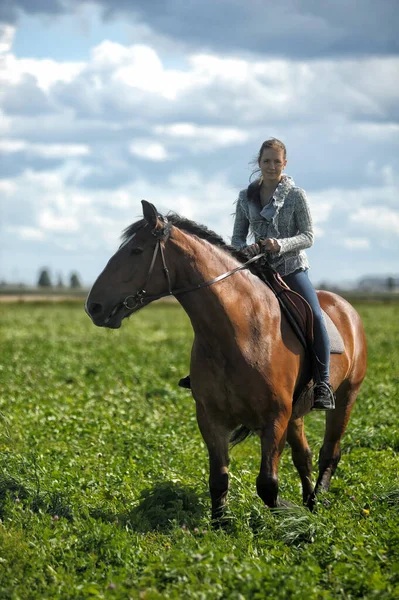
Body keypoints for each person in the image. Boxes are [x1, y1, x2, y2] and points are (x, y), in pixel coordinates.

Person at [231, 137, 335, 410]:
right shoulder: (245, 197)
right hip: (256, 271)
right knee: (224, 310)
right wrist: (246, 248)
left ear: (284, 163)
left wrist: (280, 244)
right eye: (267, 161)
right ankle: (211, 373)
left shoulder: (296, 195)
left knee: (313, 313)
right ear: (259, 163)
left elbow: (308, 236)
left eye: (277, 161)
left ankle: (323, 383)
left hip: (291, 268)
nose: (271, 166)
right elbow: (236, 239)